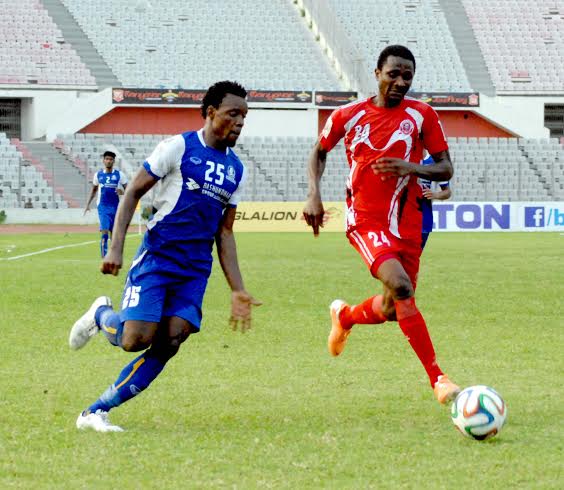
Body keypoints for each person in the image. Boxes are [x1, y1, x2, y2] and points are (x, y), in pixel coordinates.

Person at [69, 81, 261, 432]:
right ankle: (101, 315)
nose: (240, 122)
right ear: (210, 113)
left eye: (245, 116)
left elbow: (226, 232)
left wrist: (238, 288)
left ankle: (96, 412)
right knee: (134, 339)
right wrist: (115, 247)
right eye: (233, 114)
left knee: (171, 339)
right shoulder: (178, 147)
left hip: (195, 269)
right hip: (158, 257)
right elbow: (133, 194)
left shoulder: (237, 170)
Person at [303, 45, 460, 404]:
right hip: (365, 219)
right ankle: (439, 379)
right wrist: (313, 194)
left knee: (393, 307)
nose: (401, 81)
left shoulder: (422, 116)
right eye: (394, 74)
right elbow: (319, 151)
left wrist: (412, 167)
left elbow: (445, 167)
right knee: (402, 288)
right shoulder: (348, 115)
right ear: (377, 74)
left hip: (409, 224)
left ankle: (345, 316)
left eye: (407, 76)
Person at [84, 151, 128, 258]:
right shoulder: (98, 175)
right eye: (107, 159)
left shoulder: (119, 175)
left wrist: (122, 192)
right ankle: (104, 256)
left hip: (116, 207)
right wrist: (88, 204)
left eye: (111, 159)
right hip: (103, 206)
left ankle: (113, 255)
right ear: (103, 160)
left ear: (113, 161)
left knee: (114, 232)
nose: (108, 161)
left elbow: (129, 191)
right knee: (104, 229)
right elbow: (94, 190)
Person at [419, 154, 451, 250]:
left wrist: (435, 194)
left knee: (413, 259)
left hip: (423, 218)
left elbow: (447, 192)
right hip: (401, 219)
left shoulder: (435, 163)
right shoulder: (404, 157)